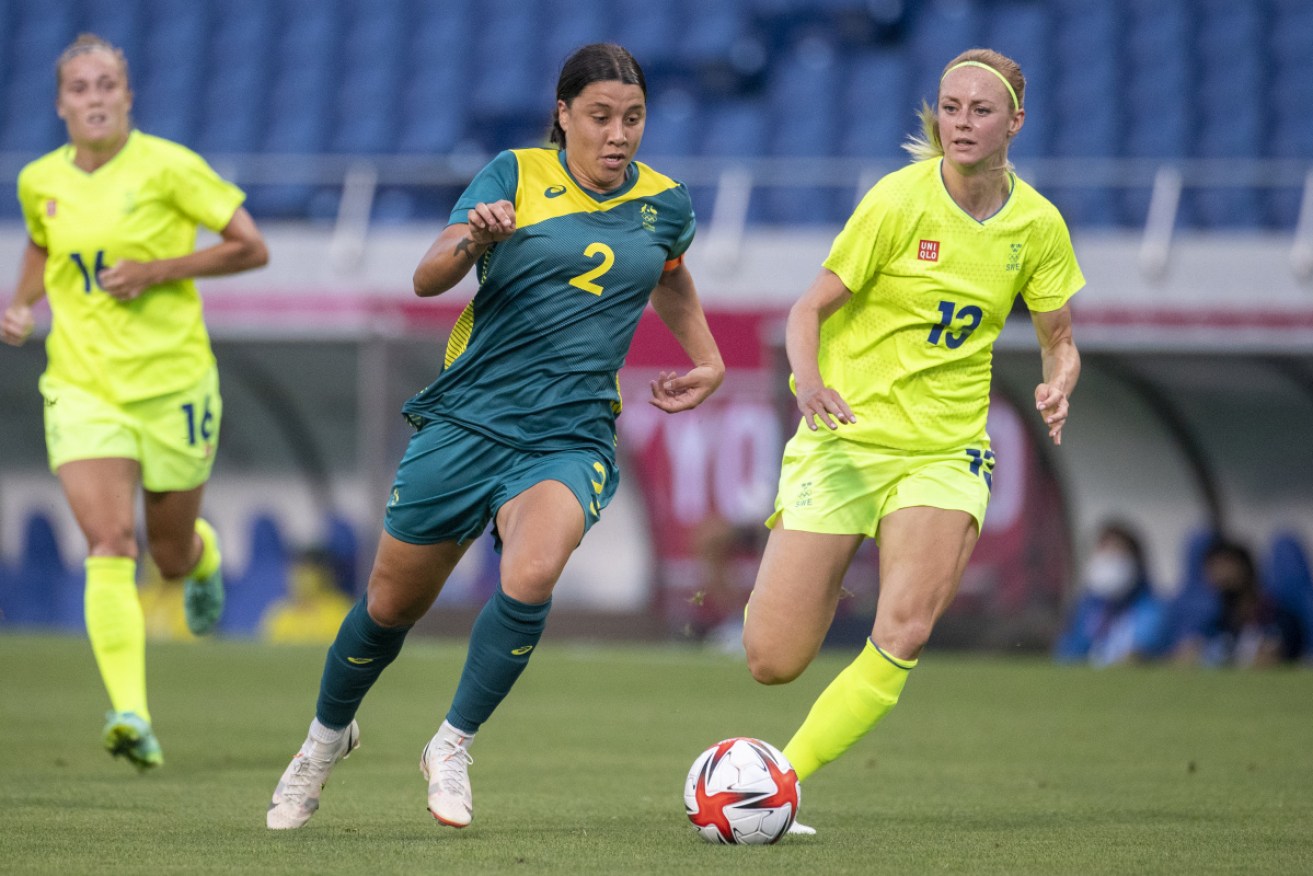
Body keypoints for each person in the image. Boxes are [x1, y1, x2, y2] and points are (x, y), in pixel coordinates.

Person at [266, 43, 724, 830]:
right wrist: (476, 239)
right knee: (386, 610)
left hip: (568, 433)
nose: (618, 135)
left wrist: (708, 359)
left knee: (533, 572)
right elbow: (428, 276)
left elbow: (670, 275)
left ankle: (451, 744)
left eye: (634, 118)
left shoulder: (666, 203)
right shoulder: (512, 175)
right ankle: (322, 740)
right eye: (600, 117)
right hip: (468, 421)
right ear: (563, 115)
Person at [741, 48, 1084, 816]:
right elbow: (805, 310)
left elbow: (1060, 338)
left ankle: (774, 784)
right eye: (950, 108)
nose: (961, 123)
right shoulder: (896, 203)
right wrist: (811, 385)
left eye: (980, 110)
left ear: (1013, 123)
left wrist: (1058, 380)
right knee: (772, 659)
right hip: (845, 439)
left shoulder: (1037, 226)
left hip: (945, 451)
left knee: (904, 626)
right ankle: (812, 578)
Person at [1, 34, 268, 770]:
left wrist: (160, 269)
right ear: (60, 103)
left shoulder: (169, 167)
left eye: (106, 84)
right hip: (83, 387)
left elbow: (251, 246)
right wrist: (20, 303)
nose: (93, 98)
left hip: (174, 387)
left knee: (170, 554)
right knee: (110, 544)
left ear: (127, 96)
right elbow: (41, 243)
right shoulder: (38, 180)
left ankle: (203, 556)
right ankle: (130, 713)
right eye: (80, 87)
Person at [1054, 521, 1169, 665]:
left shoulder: (1151, 609)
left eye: (1117, 552)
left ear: (1135, 562)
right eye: (1104, 551)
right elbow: (1068, 653)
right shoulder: (1087, 607)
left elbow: (1144, 649)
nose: (1109, 559)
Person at [1172, 538, 1290, 667]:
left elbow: (1270, 657)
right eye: (1213, 567)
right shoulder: (1218, 619)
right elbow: (1187, 655)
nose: (1220, 574)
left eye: (1226, 565)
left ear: (1247, 568)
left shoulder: (1275, 615)